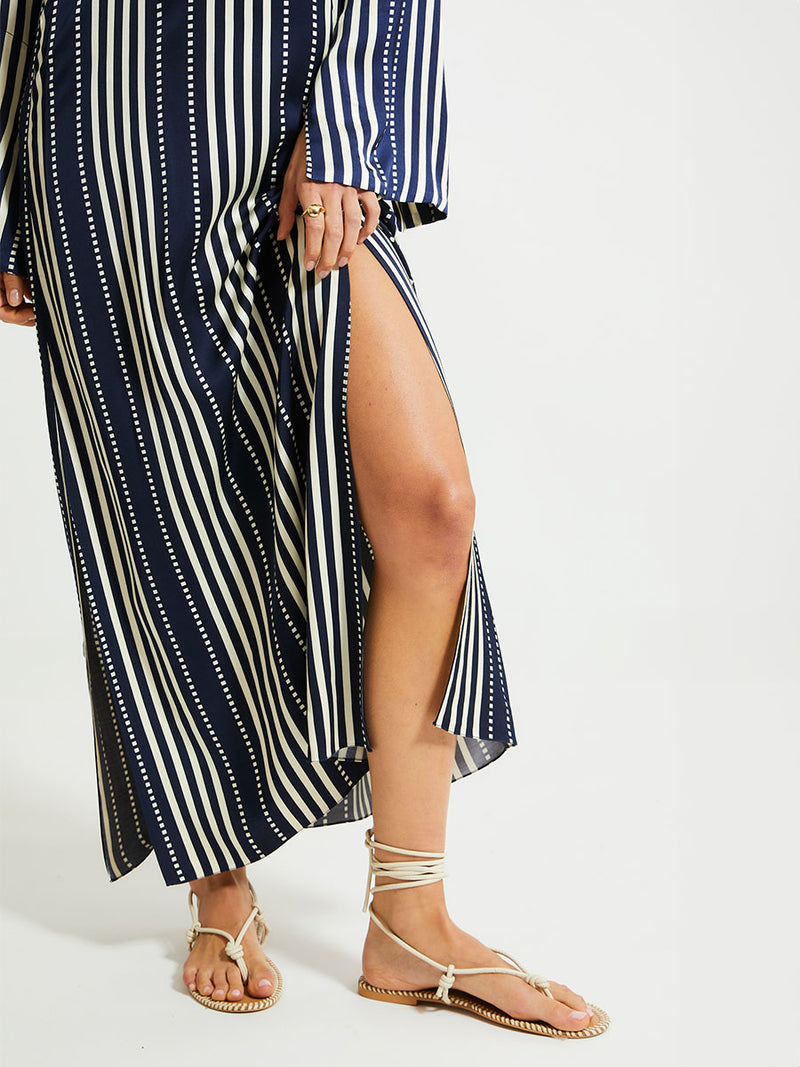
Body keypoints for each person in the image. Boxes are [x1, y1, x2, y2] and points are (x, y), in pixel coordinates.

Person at [0, 0, 608, 1036]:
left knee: (428, 506)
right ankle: (219, 885)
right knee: (169, 520)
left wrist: (351, 126)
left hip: (292, 110)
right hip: (100, 131)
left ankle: (411, 919)